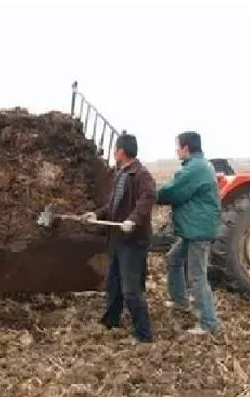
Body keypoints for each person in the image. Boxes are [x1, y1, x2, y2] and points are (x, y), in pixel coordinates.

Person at [82, 134, 156, 343]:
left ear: (121, 151)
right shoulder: (121, 174)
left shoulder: (141, 175)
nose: (114, 153)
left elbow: (148, 198)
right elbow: (113, 206)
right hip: (117, 240)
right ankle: (111, 320)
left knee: (131, 289)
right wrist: (96, 215)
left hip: (133, 242)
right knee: (113, 283)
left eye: (115, 150)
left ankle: (144, 334)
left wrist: (133, 220)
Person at [157, 131, 221, 335]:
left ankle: (209, 323)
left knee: (197, 275)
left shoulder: (196, 168)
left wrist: (149, 194)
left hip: (198, 231)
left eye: (178, 146)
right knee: (174, 259)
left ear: (186, 148)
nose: (176, 150)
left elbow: (173, 191)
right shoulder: (198, 165)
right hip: (193, 229)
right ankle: (180, 300)